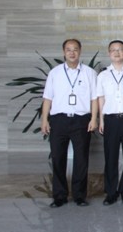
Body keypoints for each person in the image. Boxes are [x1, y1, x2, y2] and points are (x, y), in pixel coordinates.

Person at [41, 38, 98, 208]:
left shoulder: (89, 73)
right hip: (59, 120)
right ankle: (59, 196)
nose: (72, 53)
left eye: (75, 49)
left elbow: (94, 98)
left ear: (80, 51)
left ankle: (79, 196)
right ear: (64, 52)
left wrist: (94, 118)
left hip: (81, 120)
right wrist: (44, 120)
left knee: (81, 158)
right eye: (68, 49)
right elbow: (47, 98)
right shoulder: (55, 73)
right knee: (58, 157)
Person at [96, 40, 123, 206]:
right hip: (111, 120)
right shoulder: (103, 75)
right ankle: (111, 192)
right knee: (110, 157)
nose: (117, 53)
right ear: (109, 53)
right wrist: (101, 120)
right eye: (113, 50)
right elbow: (101, 98)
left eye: (120, 50)